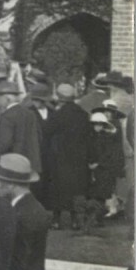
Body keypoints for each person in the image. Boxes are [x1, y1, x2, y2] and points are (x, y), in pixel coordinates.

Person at [41, 82, 94, 227]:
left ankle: (57, 220)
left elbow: (46, 131)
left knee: (58, 187)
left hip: (60, 156)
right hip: (79, 158)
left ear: (59, 97)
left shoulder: (58, 115)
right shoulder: (83, 115)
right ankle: (76, 219)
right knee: (76, 189)